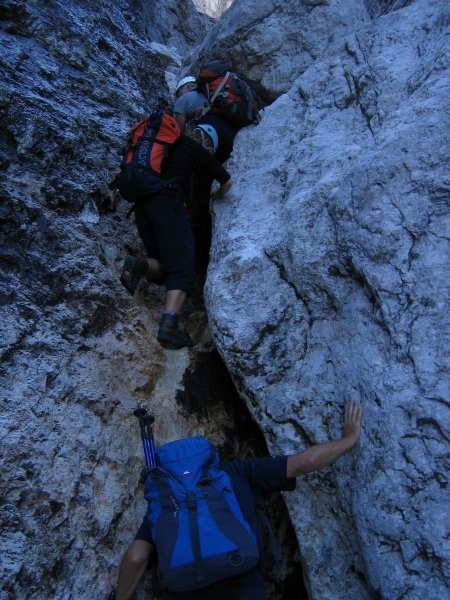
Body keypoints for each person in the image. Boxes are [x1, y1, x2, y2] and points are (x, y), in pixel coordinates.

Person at [114, 401, 363, 599]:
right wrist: (348, 440)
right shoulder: (238, 473)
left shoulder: (166, 499)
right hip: (244, 588)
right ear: (211, 458)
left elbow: (136, 557)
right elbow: (306, 462)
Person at [118, 126, 232, 350]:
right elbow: (226, 182)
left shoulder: (161, 149)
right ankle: (169, 327)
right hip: (168, 205)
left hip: (142, 208)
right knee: (182, 268)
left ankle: (139, 264)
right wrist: (215, 196)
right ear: (207, 141)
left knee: (165, 270)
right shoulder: (195, 149)